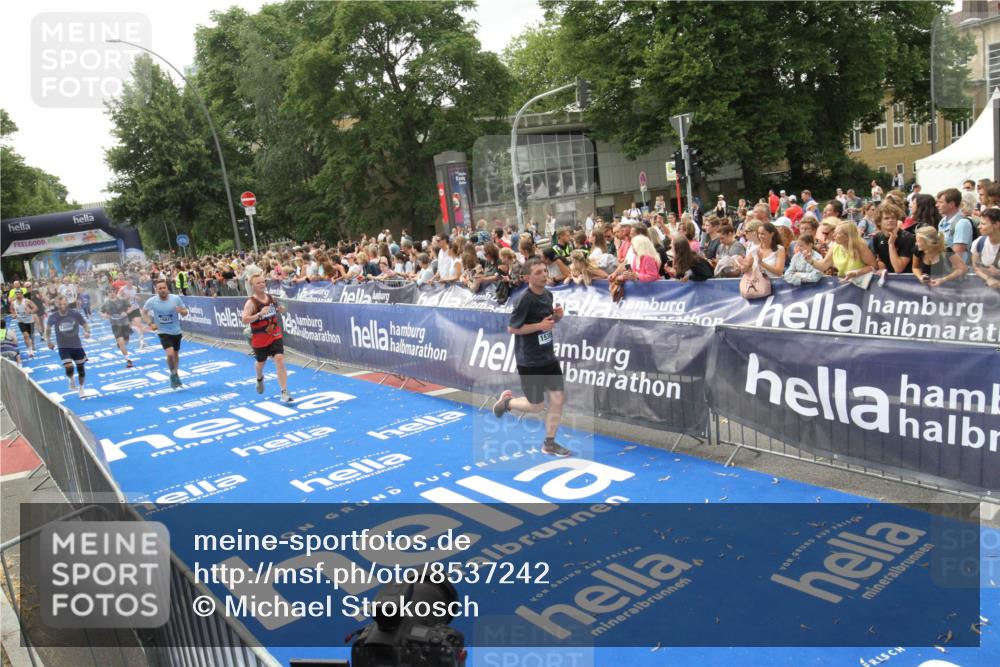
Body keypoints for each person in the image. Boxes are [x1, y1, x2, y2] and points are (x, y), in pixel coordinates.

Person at [492, 258, 572, 458]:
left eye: (544, 271)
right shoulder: (524, 299)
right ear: (527, 277)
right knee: (536, 406)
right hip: (529, 361)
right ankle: (507, 403)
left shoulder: (548, 294)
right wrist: (539, 327)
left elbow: (548, 322)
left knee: (558, 398)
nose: (544, 275)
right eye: (538, 272)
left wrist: (557, 316)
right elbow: (512, 328)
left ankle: (549, 443)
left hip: (548, 357)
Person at [243, 275, 293, 402]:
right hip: (260, 337)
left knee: (280, 359)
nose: (261, 284)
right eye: (258, 283)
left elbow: (277, 310)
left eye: (263, 282)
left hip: (275, 334)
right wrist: (259, 314)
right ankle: (259, 378)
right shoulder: (251, 302)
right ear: (253, 286)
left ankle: (284, 392)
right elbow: (244, 319)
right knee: (261, 362)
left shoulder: (271, 298)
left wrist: (280, 309)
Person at [142, 280, 189, 389]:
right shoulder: (152, 301)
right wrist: (150, 323)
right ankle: (172, 374)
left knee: (176, 354)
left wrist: (181, 311)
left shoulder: (175, 299)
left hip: (176, 331)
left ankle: (175, 373)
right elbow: (143, 312)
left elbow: (185, 312)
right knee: (170, 354)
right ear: (156, 290)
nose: (162, 290)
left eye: (164, 288)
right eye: (160, 288)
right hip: (163, 331)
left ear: (167, 288)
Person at [45, 295, 91, 398]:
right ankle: (71, 379)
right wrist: (48, 341)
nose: (63, 306)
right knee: (69, 368)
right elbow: (48, 329)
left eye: (65, 303)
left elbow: (84, 324)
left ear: (67, 303)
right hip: (63, 346)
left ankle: (81, 389)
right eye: (60, 304)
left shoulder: (75, 313)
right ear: (57, 304)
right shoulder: (53, 316)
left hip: (77, 345)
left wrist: (87, 332)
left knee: (81, 369)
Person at [808, 220, 877, 282]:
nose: (833, 235)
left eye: (837, 233)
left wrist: (856, 273)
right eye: (834, 232)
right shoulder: (835, 246)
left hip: (861, 284)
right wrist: (811, 261)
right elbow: (824, 265)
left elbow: (874, 266)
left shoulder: (860, 246)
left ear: (847, 237)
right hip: (844, 283)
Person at [871, 203, 915, 275]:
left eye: (893, 217)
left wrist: (891, 244)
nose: (891, 220)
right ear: (879, 222)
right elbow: (879, 260)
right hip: (888, 278)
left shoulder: (908, 237)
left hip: (906, 279)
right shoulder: (877, 238)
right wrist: (882, 268)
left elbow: (898, 268)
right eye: (886, 218)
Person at [936, 188, 974, 265]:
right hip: (943, 267)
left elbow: (958, 254)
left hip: (956, 271)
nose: (936, 205)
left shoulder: (962, 223)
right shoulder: (942, 222)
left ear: (951, 204)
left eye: (940, 202)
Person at [100, 289, 136, 368]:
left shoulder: (122, 300)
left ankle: (120, 344)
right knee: (121, 343)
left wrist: (126, 312)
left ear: (115, 293)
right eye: (109, 293)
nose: (111, 294)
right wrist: (104, 315)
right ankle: (128, 360)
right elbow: (101, 312)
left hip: (125, 324)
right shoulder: (106, 303)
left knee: (126, 342)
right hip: (115, 325)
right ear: (107, 295)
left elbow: (132, 307)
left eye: (113, 292)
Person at [971, 208, 1000, 289]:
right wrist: (988, 278)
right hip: (988, 291)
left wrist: (998, 273)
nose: (979, 227)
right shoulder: (979, 242)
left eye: (983, 224)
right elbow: (976, 267)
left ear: (996, 224)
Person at [117, 278, 147, 350]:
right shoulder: (122, 289)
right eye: (128, 283)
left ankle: (142, 342)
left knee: (139, 324)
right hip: (126, 309)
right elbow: (117, 297)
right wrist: (124, 298)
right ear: (125, 282)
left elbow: (137, 297)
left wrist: (137, 298)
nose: (129, 284)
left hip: (135, 308)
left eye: (130, 283)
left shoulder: (135, 288)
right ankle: (122, 340)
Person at [10, 289, 38, 358]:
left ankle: (33, 344)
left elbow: (35, 308)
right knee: (26, 335)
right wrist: (13, 315)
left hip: (30, 321)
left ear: (22, 294)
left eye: (19, 294)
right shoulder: (13, 303)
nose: (18, 295)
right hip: (21, 321)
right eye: (16, 294)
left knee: (31, 336)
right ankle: (30, 351)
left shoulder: (27, 301)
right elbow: (12, 309)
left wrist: (30, 311)